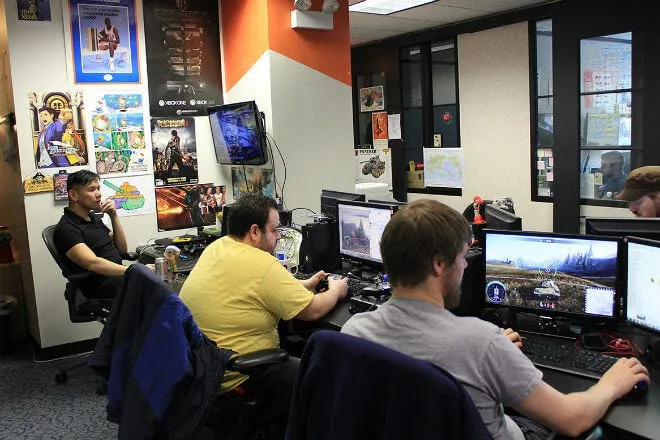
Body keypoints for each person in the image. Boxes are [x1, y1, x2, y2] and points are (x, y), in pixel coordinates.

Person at [342, 199, 649, 440]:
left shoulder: (355, 331)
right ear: (439, 265)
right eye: (463, 257)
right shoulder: (480, 343)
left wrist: (491, 352)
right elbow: (572, 419)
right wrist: (611, 384)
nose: (465, 266)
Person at [179, 193, 348, 433]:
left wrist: (304, 284)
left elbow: (253, 286)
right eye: (275, 230)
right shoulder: (261, 263)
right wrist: (337, 291)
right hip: (239, 375)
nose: (279, 236)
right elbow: (312, 310)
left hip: (204, 373)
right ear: (255, 231)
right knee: (322, 378)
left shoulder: (218, 247)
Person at [53, 170, 129, 300]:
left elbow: (122, 250)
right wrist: (132, 270)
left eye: (98, 188)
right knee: (155, 292)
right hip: (102, 286)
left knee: (160, 281)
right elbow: (93, 264)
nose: (98, 194)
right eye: (92, 189)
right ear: (73, 195)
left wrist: (114, 216)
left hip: (117, 277)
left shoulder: (92, 218)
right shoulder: (66, 228)